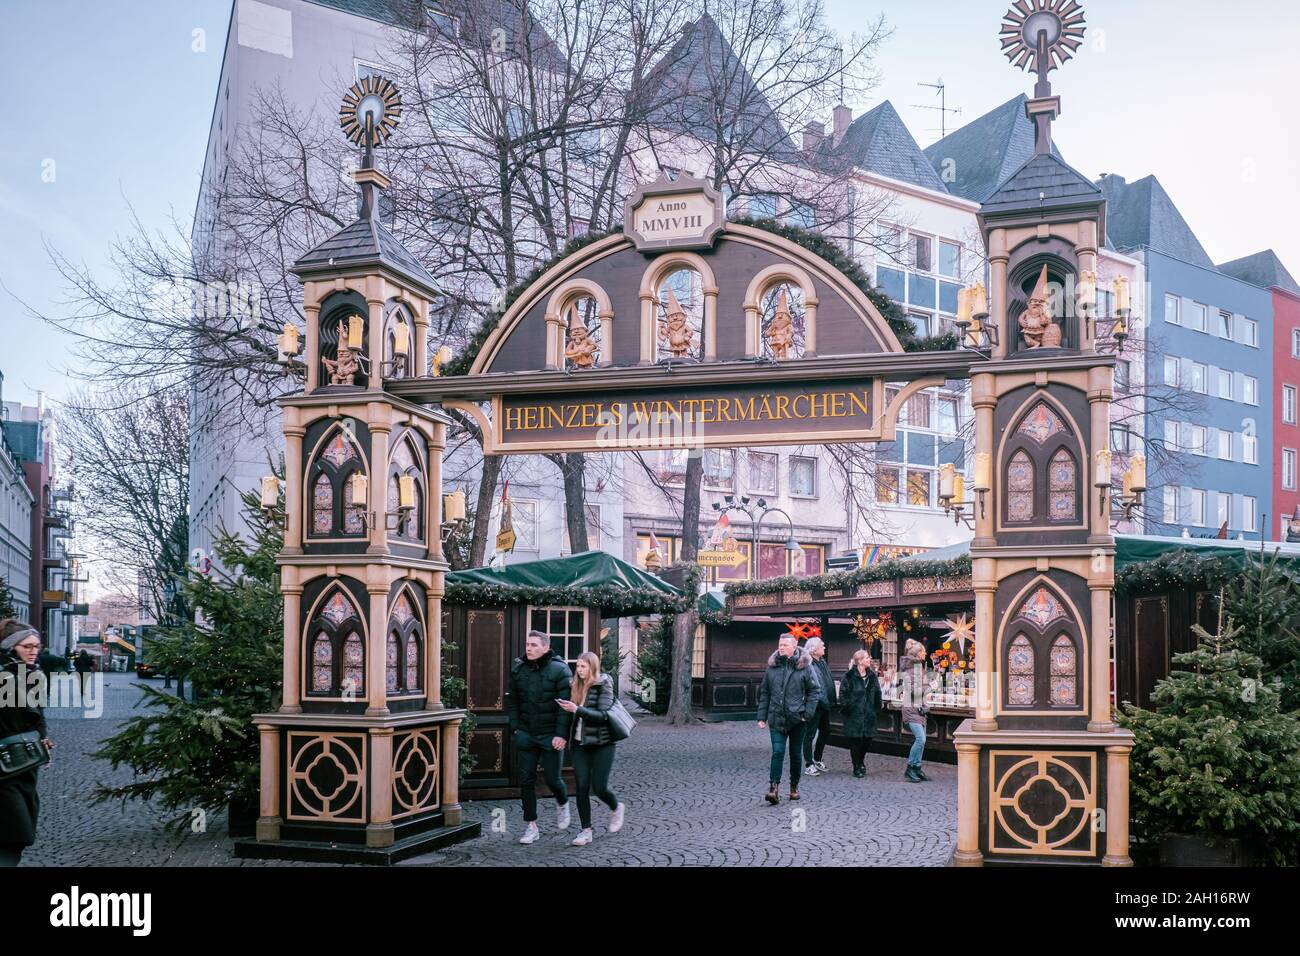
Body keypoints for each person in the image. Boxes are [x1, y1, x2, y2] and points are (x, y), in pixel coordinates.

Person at [506, 630, 573, 845]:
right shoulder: (519, 670)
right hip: (527, 734)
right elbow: (513, 701)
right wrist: (516, 727)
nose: (529, 648)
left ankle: (562, 803)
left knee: (553, 780)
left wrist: (561, 735)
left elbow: (565, 708)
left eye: (534, 645)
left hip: (551, 736)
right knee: (526, 781)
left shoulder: (560, 670)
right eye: (527, 644)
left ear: (545, 647)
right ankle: (531, 826)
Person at [556, 651, 625, 846]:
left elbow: (602, 715)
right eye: (577, 666)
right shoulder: (575, 686)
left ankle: (616, 806)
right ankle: (586, 830)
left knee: (600, 787)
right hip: (580, 745)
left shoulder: (604, 684)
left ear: (592, 667)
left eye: (583, 667)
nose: (578, 670)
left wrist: (577, 709)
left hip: (603, 744)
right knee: (581, 786)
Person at [0, 620, 53, 867]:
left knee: (20, 833)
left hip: (25, 765)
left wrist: (41, 739)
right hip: (4, 769)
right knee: (14, 833)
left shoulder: (33, 676)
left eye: (37, 646)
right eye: (27, 646)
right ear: (11, 648)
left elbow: (37, 718)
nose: (33, 651)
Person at [756, 633, 816, 804]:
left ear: (794, 646)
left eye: (784, 645)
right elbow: (765, 692)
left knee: (796, 754)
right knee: (777, 752)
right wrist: (762, 716)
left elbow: (814, 691)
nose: (781, 647)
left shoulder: (805, 666)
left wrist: (807, 714)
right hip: (777, 717)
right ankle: (773, 788)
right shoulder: (772, 667)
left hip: (798, 719)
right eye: (779, 644)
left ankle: (794, 787)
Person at [839, 650, 882, 778]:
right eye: (868, 657)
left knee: (867, 741)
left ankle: (861, 761)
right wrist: (849, 706)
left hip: (869, 715)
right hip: (854, 715)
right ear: (860, 661)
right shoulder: (849, 676)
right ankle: (856, 766)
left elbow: (878, 693)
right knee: (855, 742)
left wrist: (876, 709)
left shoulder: (872, 676)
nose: (870, 659)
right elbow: (843, 694)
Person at [802, 637, 837, 776]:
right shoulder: (808, 664)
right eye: (822, 646)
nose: (824, 647)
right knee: (809, 734)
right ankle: (808, 764)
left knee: (826, 731)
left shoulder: (822, 662)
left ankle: (817, 758)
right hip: (814, 705)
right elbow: (814, 687)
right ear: (814, 649)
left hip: (824, 704)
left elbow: (827, 682)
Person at [897, 639, 930, 783]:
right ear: (917, 653)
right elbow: (912, 690)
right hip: (911, 708)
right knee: (920, 739)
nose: (925, 653)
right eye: (923, 651)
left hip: (918, 709)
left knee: (922, 740)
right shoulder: (912, 670)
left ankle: (917, 767)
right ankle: (910, 768)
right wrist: (931, 686)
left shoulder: (918, 669)